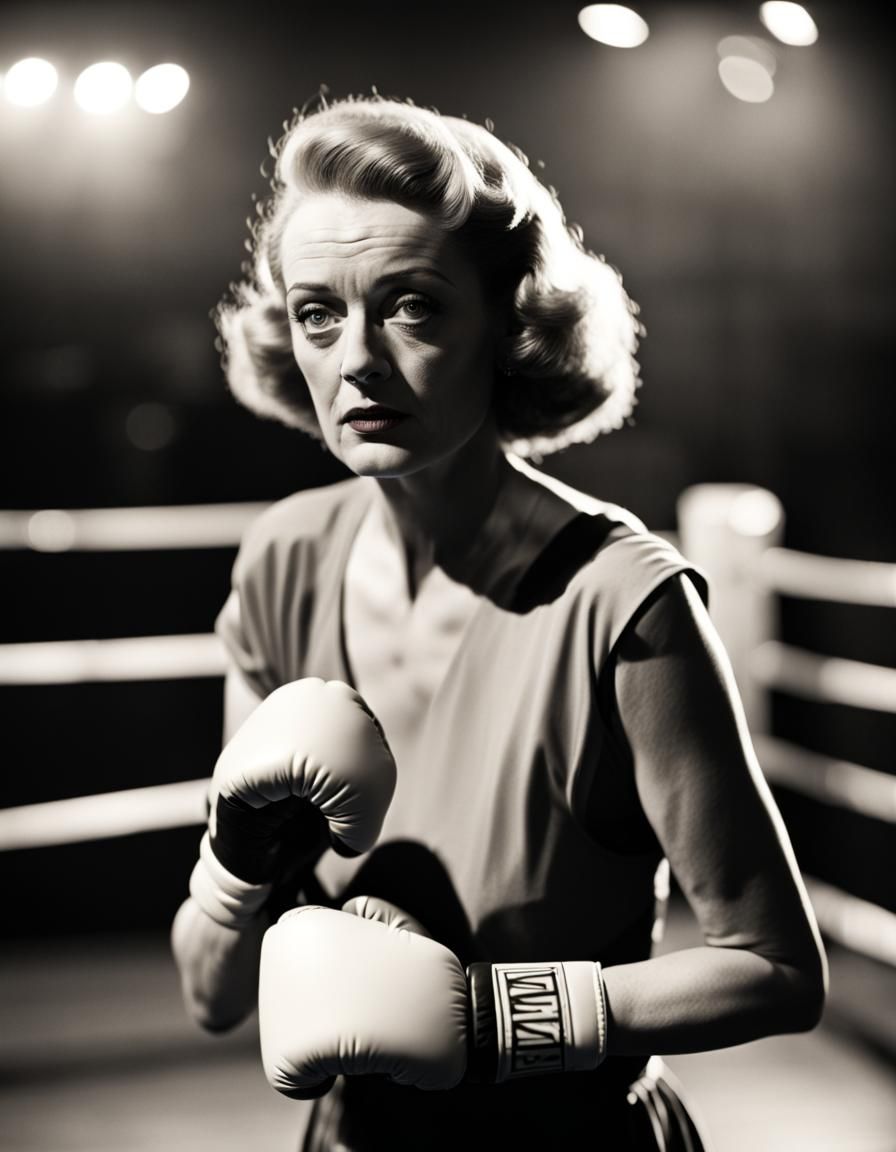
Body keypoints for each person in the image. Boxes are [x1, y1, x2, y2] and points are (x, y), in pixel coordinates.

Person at [171, 91, 827, 1150]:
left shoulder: (622, 600)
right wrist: (234, 868)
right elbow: (210, 994)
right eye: (317, 312)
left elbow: (775, 970)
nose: (358, 360)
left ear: (508, 327)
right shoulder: (282, 565)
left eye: (413, 304)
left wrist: (490, 1020)